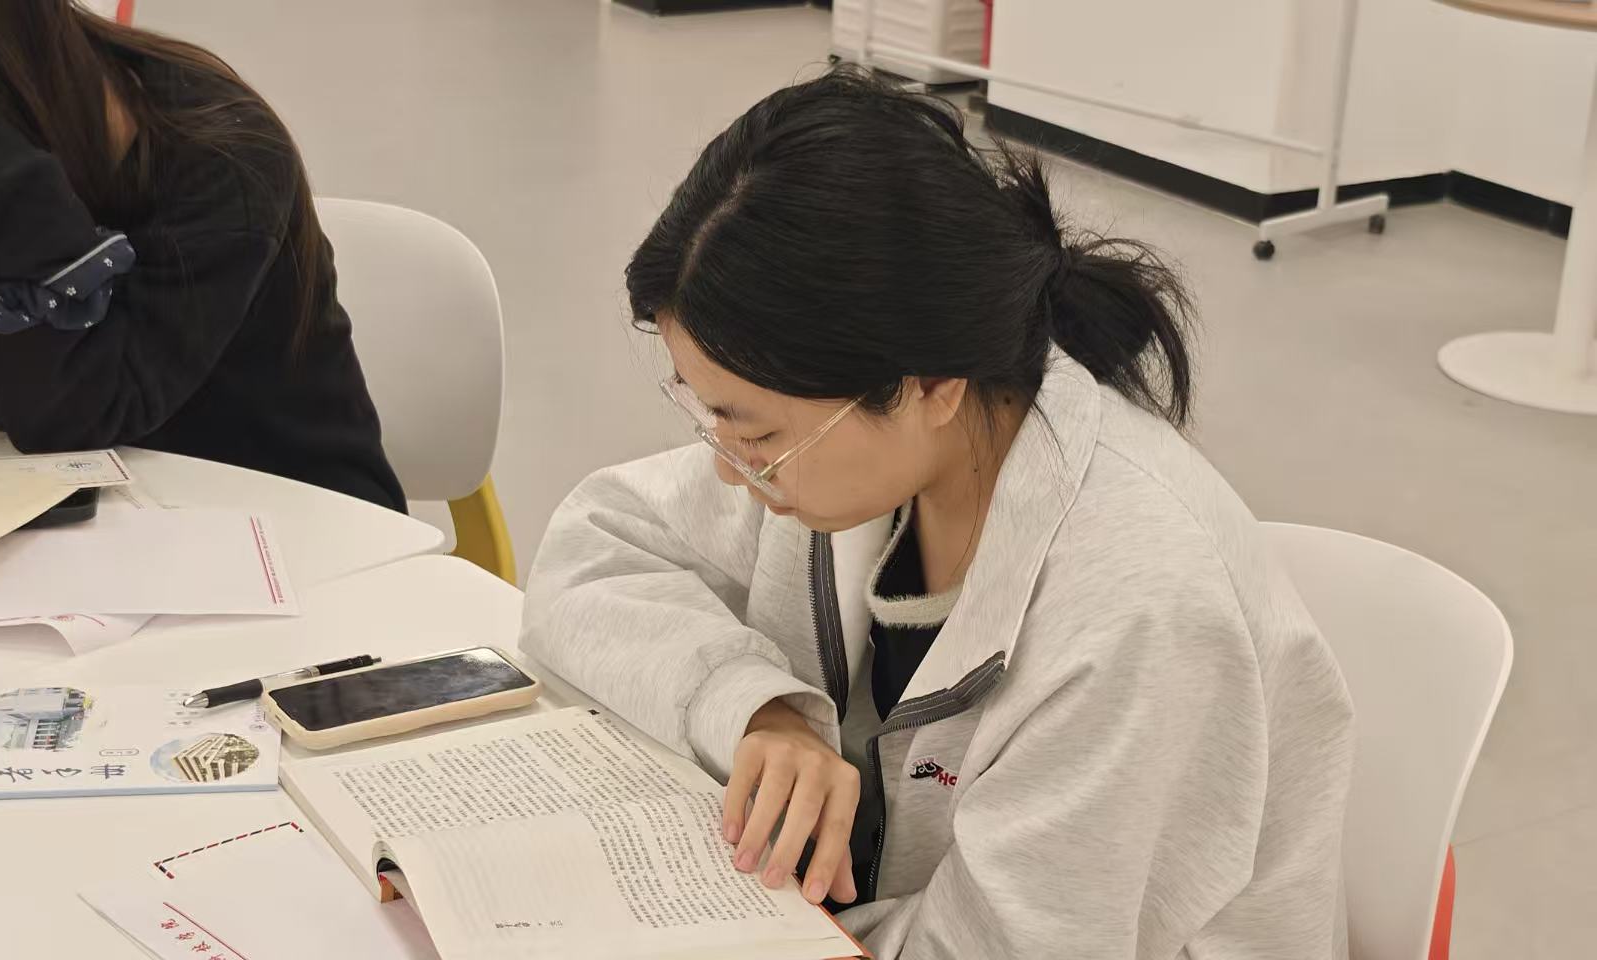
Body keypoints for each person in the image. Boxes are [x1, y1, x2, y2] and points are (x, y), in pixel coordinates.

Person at [521, 68, 1354, 958]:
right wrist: (758, 710)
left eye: (754, 431)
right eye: (713, 419)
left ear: (929, 386)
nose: (730, 470)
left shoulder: (1136, 611)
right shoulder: (869, 448)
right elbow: (594, 549)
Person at [0, 0, 404, 510]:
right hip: (48, 522)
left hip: (289, 513)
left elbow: (67, 420)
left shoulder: (216, 147)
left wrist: (5, 191)